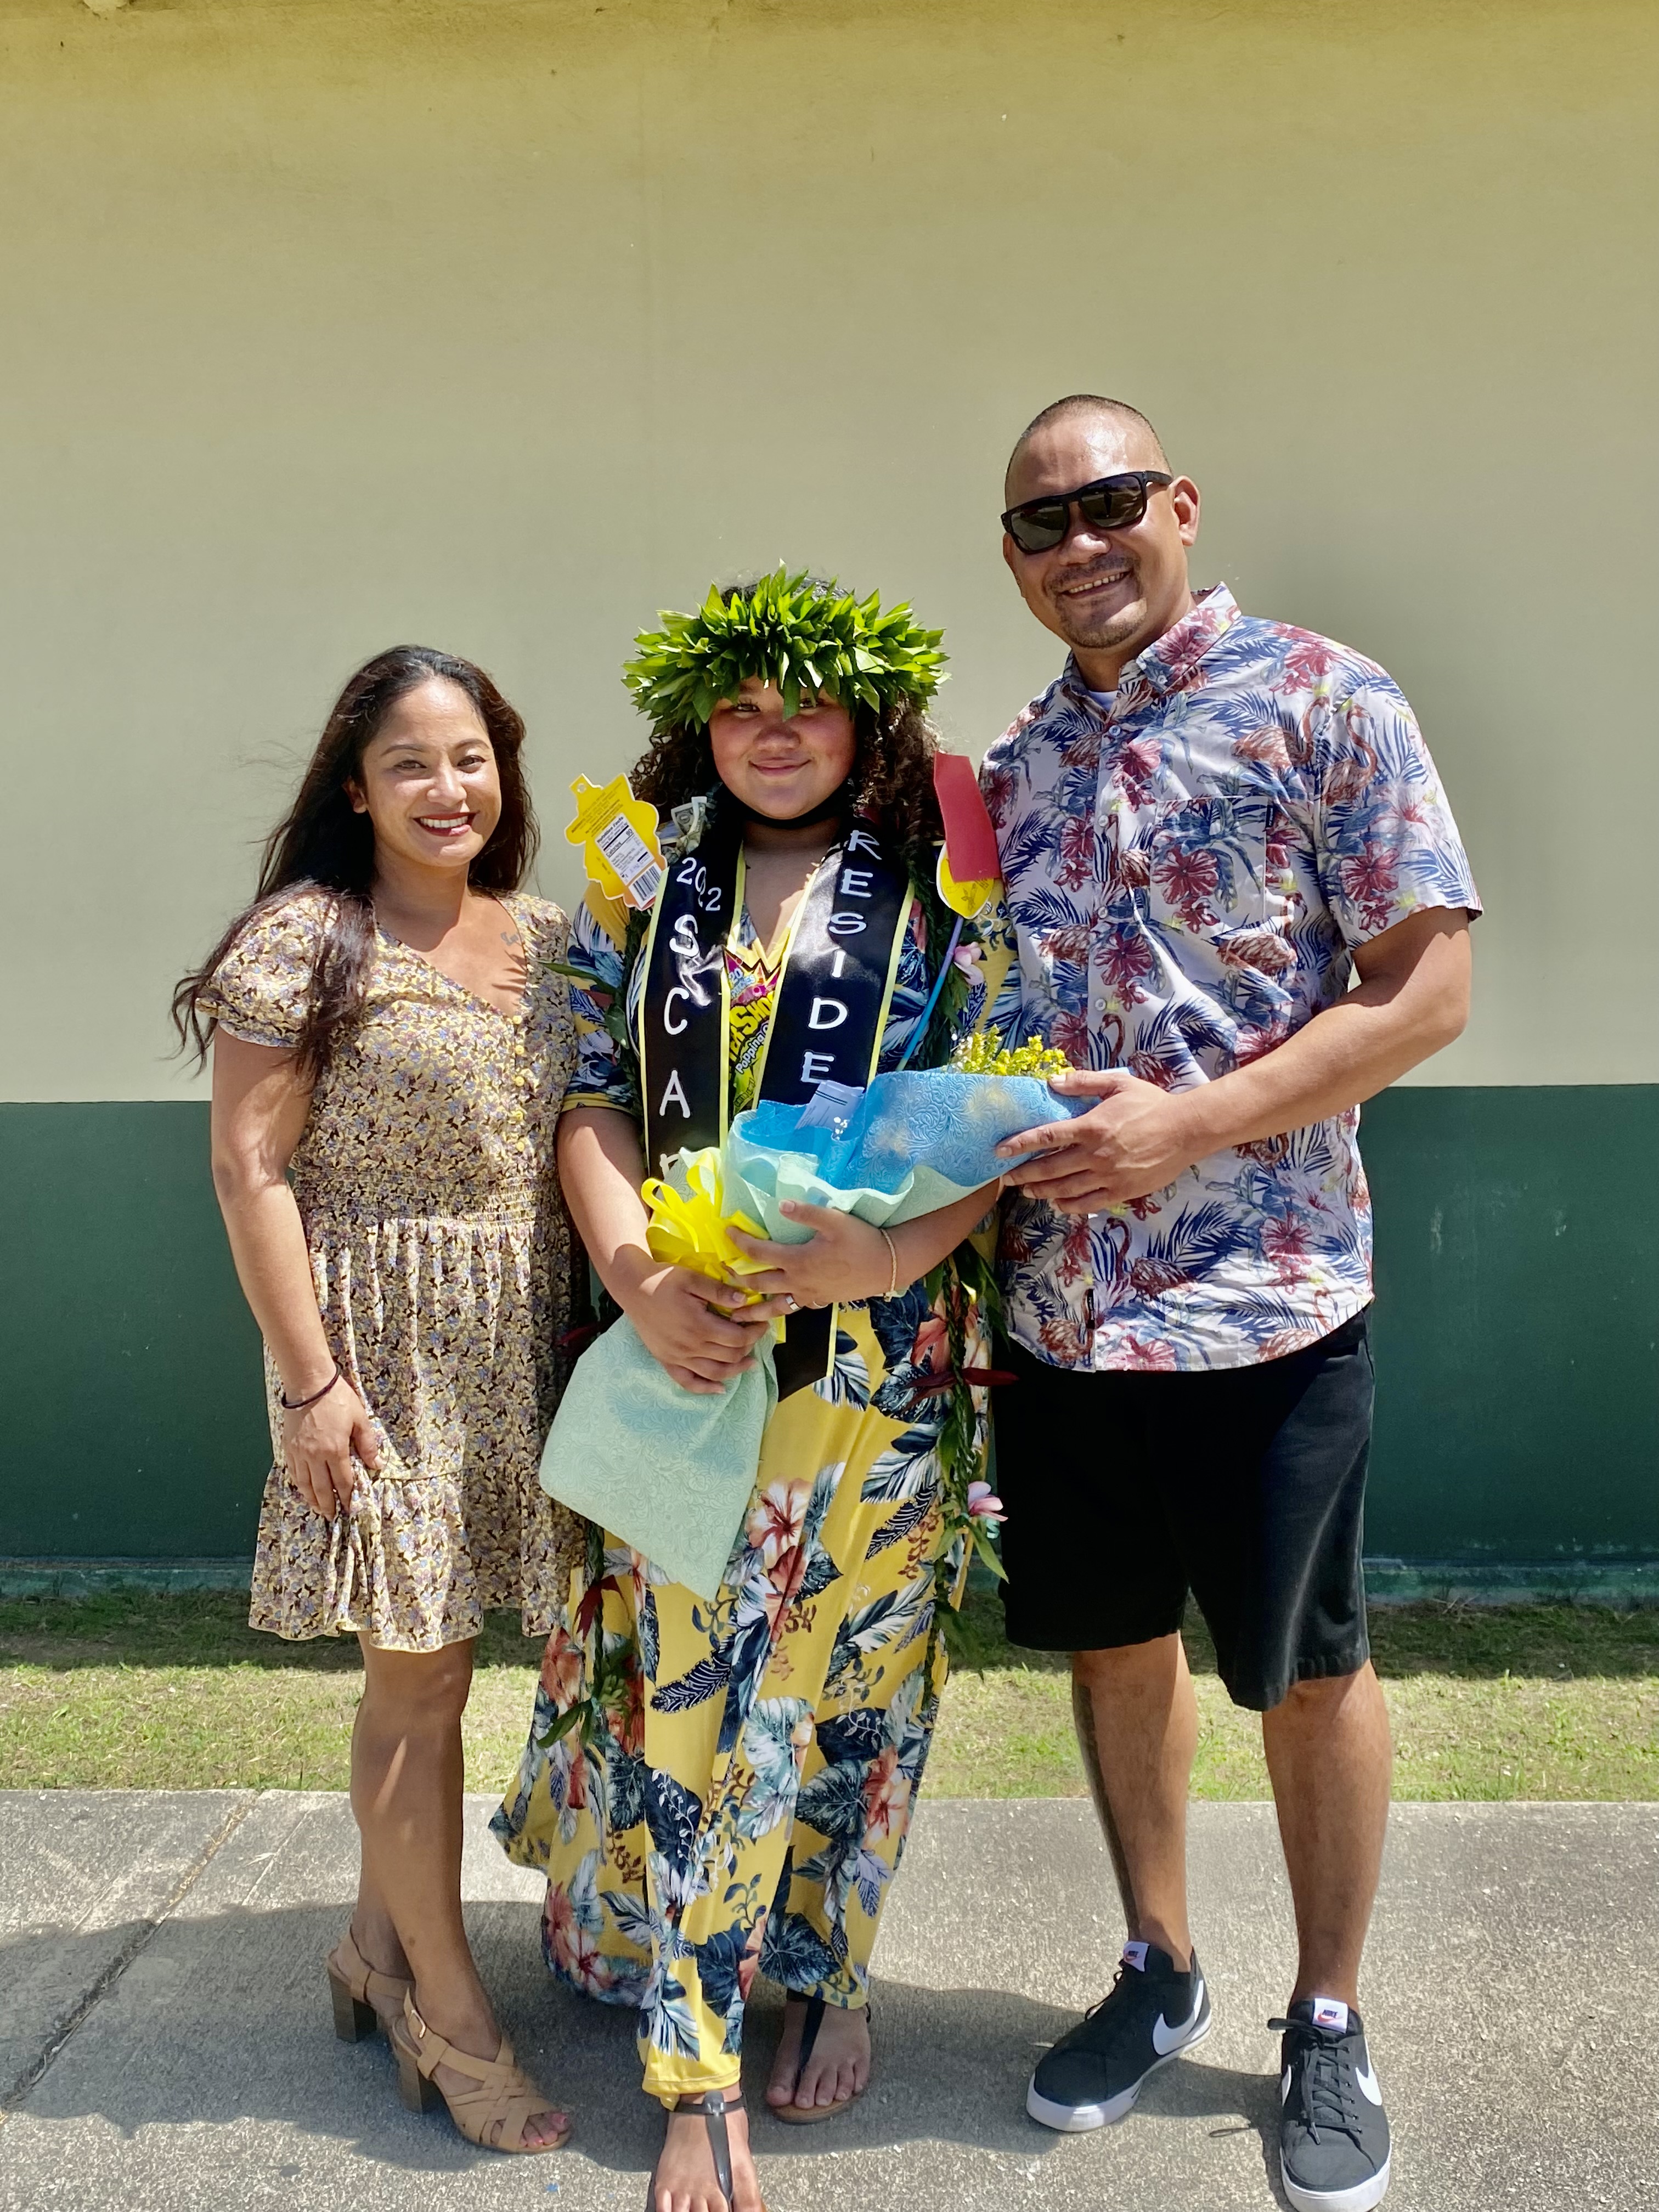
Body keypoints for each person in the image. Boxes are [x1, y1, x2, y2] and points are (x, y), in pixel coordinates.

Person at [983, 397, 1478, 2212]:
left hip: (1266, 1297)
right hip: (1060, 1312)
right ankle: (1158, 1964)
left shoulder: (1325, 698)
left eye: (1110, 501)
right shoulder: (1013, 766)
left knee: (1307, 1667)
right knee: (1117, 1647)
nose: (1079, 543)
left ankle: (1327, 2017)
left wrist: (1189, 1125)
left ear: (1179, 504)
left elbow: (1426, 991)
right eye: (1040, 522)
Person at [494, 571, 1014, 2212]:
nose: (773, 733)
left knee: (857, 1681)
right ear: (696, 729)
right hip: (693, 1348)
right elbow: (591, 1098)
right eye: (738, 708)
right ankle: (696, 2065)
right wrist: (639, 1279)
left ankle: (828, 1966)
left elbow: (996, 1117)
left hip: (874, 1368)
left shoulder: (940, 889)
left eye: (807, 705)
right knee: (699, 1696)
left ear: (869, 723)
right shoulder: (641, 884)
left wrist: (889, 1254)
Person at [173, 645, 579, 2156]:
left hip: (515, 1342)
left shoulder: (546, 936)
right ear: (355, 786)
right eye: (409, 761)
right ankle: (450, 2016)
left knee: (454, 1670)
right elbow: (249, 1170)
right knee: (417, 1680)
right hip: (378, 1355)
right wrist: (310, 1386)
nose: (445, 787)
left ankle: (369, 1947)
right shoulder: (308, 939)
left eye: (470, 757)